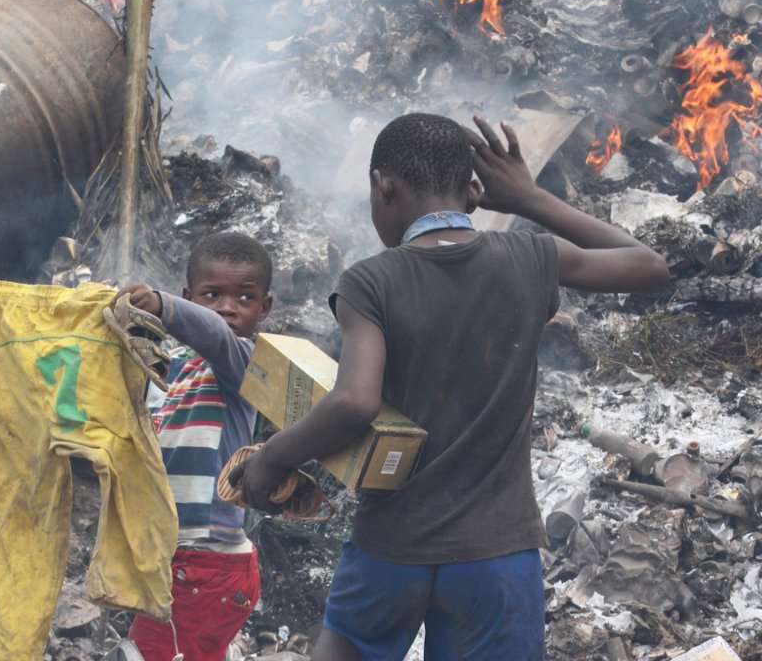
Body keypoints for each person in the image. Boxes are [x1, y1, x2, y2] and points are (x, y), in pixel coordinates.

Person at [229, 113, 669, 661]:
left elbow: (356, 401)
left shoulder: (371, 280)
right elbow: (649, 266)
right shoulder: (532, 258)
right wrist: (530, 199)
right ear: (476, 193)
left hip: (392, 547)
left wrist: (275, 454)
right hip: (498, 555)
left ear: (383, 187)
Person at [123, 231, 275, 661]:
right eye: (212, 295)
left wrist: (165, 305)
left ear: (264, 308)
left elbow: (213, 335)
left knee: (151, 652)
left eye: (245, 298)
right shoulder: (174, 373)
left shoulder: (244, 364)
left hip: (208, 562)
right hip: (185, 559)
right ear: (194, 294)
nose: (228, 307)